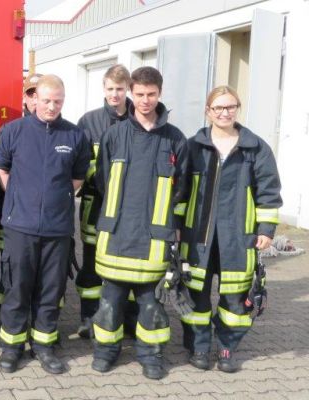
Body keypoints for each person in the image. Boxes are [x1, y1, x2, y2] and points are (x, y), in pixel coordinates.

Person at [90, 66, 188, 380]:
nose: (145, 100)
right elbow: (103, 181)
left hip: (154, 238)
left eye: (152, 94)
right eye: (140, 94)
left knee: (152, 307)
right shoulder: (115, 135)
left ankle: (152, 356)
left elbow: (182, 188)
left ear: (160, 94)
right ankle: (106, 352)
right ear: (131, 93)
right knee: (110, 304)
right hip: (117, 234)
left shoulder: (175, 140)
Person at [179, 86, 282, 373]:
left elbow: (268, 191)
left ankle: (227, 346)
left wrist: (266, 229)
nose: (224, 113)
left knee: (235, 296)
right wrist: (176, 228)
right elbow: (181, 193)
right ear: (208, 111)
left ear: (237, 108)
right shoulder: (193, 146)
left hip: (238, 235)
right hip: (198, 236)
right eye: (218, 108)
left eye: (230, 107)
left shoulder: (255, 147)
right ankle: (199, 346)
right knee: (195, 293)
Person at [0, 74, 90, 374]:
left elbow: (77, 177)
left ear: (64, 101)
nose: (51, 106)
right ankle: (12, 348)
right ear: (34, 99)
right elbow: (2, 168)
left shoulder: (75, 136)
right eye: (46, 100)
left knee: (51, 292)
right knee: (17, 289)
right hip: (19, 227)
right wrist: (22, 199)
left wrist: (56, 198)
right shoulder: (13, 131)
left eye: (57, 101)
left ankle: (44, 345)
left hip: (57, 229)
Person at [74, 64, 138, 339]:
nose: (115, 95)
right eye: (110, 89)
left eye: (120, 89)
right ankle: (89, 318)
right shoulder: (89, 121)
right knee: (91, 265)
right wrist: (106, 178)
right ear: (103, 88)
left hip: (132, 210)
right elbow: (80, 164)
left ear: (128, 90)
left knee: (129, 265)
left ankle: (128, 320)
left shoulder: (141, 119)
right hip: (96, 207)